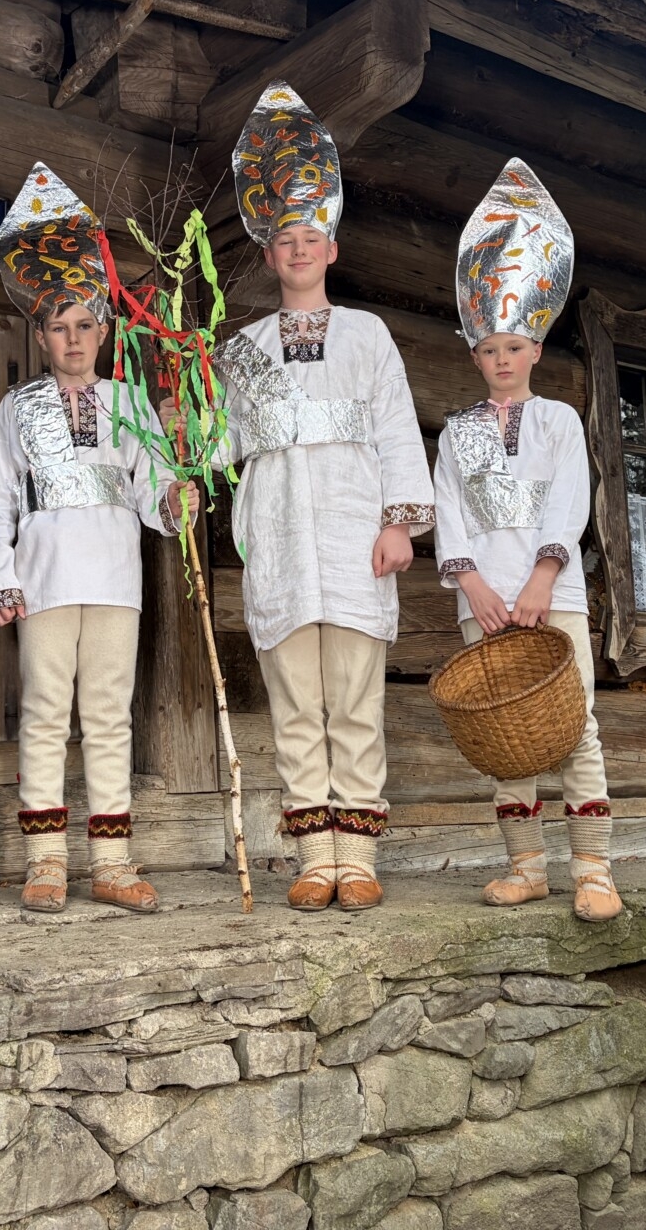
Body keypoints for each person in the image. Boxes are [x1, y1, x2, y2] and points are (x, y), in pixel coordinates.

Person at [207, 82, 435, 912]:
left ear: (331, 249)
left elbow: (398, 432)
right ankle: (313, 856)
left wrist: (399, 523)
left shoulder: (368, 335)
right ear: (269, 254)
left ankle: (359, 854)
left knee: (354, 701)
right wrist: (182, 417)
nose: (299, 250)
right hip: (278, 538)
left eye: (312, 236)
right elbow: (220, 444)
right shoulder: (242, 349)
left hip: (353, 537)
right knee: (297, 702)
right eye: (285, 239)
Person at [0, 164, 197, 915]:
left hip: (112, 581)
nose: (72, 339)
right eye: (58, 326)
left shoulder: (131, 403)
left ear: (104, 330)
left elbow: (150, 497)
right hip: (42, 579)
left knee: (108, 714)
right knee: (44, 712)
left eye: (85, 325)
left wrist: (177, 498)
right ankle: (44, 862)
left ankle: (111, 861)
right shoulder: (16, 408)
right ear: (39, 333)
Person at [432, 158, 622, 922]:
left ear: (536, 349)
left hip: (554, 595)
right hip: (485, 599)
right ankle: (526, 865)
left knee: (572, 724)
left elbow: (568, 502)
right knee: (503, 734)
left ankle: (595, 869)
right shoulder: (458, 434)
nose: (502, 360)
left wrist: (543, 579)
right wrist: (474, 586)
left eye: (514, 346)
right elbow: (452, 511)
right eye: (488, 349)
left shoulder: (556, 424)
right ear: (474, 354)